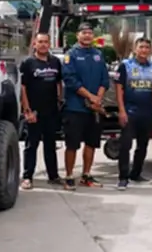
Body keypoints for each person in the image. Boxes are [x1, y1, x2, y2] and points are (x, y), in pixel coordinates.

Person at [61, 23, 109, 189]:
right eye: (84, 33)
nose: (87, 35)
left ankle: (86, 175)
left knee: (91, 143)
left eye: (90, 33)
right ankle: (68, 176)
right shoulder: (71, 55)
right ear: (78, 35)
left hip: (94, 109)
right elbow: (70, 80)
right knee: (72, 144)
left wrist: (98, 99)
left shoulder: (98, 54)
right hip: (75, 108)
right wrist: (90, 97)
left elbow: (105, 79)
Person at [114, 36, 152, 189]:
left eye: (147, 48)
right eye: (141, 47)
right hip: (129, 111)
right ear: (135, 49)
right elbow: (119, 89)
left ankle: (136, 174)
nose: (144, 50)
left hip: (146, 112)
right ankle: (123, 177)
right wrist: (121, 110)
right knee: (125, 145)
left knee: (143, 145)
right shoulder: (125, 66)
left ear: (151, 50)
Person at [19, 32, 63, 190]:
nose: (43, 44)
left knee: (50, 145)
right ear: (35, 45)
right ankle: (27, 177)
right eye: (40, 42)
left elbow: (59, 84)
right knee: (32, 145)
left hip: (51, 111)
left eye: (46, 42)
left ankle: (54, 176)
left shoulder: (55, 62)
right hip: (34, 111)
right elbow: (22, 87)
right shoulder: (28, 63)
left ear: (49, 44)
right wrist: (27, 109)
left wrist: (59, 101)